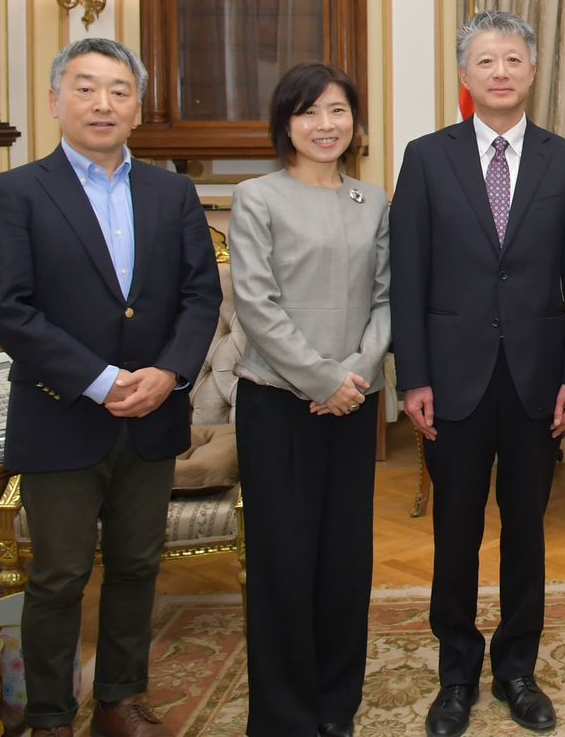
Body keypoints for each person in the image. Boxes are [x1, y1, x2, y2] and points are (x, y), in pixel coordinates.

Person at [0, 37, 222, 737]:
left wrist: (169, 373)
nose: (102, 103)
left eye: (118, 90)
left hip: (153, 413)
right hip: (61, 416)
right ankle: (52, 715)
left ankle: (118, 699)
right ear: (55, 101)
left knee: (139, 564)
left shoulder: (170, 191)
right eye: (85, 88)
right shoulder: (15, 193)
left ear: (137, 106)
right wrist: (101, 380)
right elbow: (7, 308)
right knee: (58, 575)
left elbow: (200, 297)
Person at [391, 10, 565, 737]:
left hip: (538, 380)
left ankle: (516, 668)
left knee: (526, 532)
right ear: (465, 75)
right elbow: (408, 275)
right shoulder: (425, 157)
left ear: (534, 72)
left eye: (514, 59)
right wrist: (411, 376)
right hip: (450, 381)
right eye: (487, 60)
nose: (502, 71)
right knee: (454, 532)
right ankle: (455, 675)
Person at [229, 62, 389, 737]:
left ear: (355, 123)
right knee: (283, 564)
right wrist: (321, 379)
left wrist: (352, 375)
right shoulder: (257, 197)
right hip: (277, 406)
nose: (325, 126)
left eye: (337, 112)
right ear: (285, 124)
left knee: (344, 561)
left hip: (353, 405)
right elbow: (256, 304)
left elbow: (388, 300)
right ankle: (285, 716)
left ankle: (335, 704)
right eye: (308, 113)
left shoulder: (373, 200)